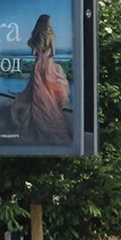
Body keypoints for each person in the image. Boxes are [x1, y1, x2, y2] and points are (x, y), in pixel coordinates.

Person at [11, 13, 72, 144]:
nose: (51, 24)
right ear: (46, 23)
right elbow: (53, 53)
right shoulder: (50, 36)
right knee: (48, 91)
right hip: (47, 65)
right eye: (50, 22)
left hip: (37, 65)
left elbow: (33, 53)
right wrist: (47, 54)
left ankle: (35, 117)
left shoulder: (35, 36)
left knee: (37, 93)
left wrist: (39, 53)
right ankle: (48, 114)